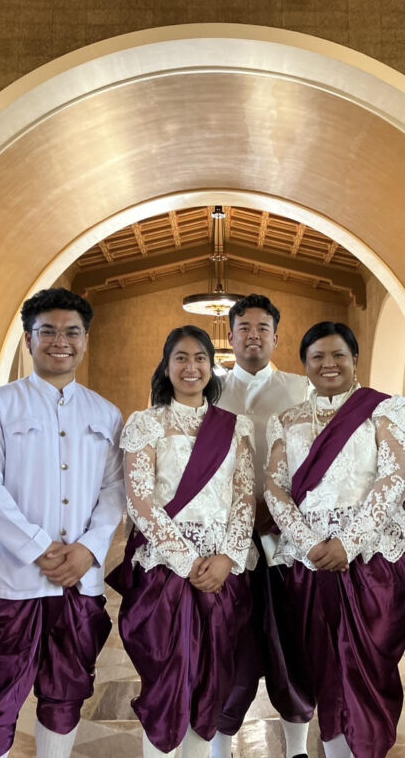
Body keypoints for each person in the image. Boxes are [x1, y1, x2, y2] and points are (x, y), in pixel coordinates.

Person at [0, 288, 125, 758]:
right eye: (47, 330)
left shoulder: (104, 413)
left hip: (81, 581)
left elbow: (115, 489)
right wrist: (38, 547)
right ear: (29, 340)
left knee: (68, 689)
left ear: (85, 340)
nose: (60, 341)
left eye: (72, 332)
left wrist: (89, 549)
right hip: (12, 581)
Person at [264, 321, 405, 758]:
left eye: (338, 355)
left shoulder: (387, 410)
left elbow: (395, 479)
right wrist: (309, 543)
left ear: (355, 360)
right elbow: (274, 488)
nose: (328, 364)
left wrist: (348, 544)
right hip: (307, 561)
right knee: (322, 667)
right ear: (304, 365)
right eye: (317, 357)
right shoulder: (288, 420)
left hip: (372, 558)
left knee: (368, 667)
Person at [108, 325, 256, 758]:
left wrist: (227, 557)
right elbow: (140, 500)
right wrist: (187, 560)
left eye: (200, 359)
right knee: (167, 680)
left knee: (213, 680)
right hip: (165, 571)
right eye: (181, 358)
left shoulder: (235, 427)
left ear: (212, 367)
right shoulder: (146, 423)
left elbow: (244, 496)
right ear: (166, 365)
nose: (191, 367)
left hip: (223, 572)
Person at [214, 295, 312, 758]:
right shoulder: (208, 388)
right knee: (226, 640)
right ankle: (218, 744)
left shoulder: (301, 388)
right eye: (244, 327)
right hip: (221, 540)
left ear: (277, 335)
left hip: (285, 535)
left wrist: (283, 507)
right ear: (230, 336)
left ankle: (297, 746)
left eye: (263, 327)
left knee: (291, 637)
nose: (253, 335)